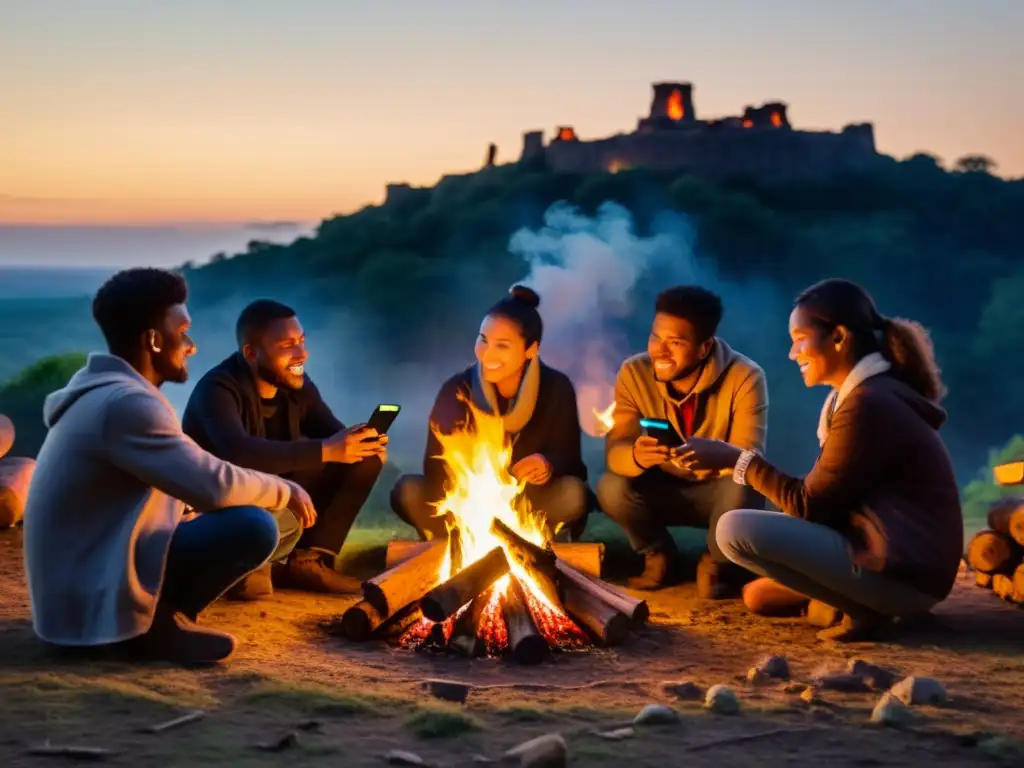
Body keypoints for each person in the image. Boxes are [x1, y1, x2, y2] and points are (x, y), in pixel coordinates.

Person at [23, 268, 316, 665]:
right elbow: (214, 483)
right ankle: (147, 633)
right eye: (184, 332)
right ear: (154, 340)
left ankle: (151, 621)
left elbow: (134, 493)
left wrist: (180, 510)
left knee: (225, 515)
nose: (191, 345)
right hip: (88, 612)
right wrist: (287, 489)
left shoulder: (103, 394)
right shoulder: (127, 404)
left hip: (74, 597)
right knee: (254, 525)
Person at [678, 278, 963, 641]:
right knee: (759, 593)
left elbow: (808, 504)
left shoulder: (867, 404)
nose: (792, 354)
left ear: (839, 338)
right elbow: (824, 498)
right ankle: (861, 609)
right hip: (909, 570)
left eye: (799, 340)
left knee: (733, 530)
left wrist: (736, 459)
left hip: (905, 575)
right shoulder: (866, 395)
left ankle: (865, 608)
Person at [183, 299, 387, 598]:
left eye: (301, 341)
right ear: (251, 353)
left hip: (277, 494)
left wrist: (361, 442)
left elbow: (332, 433)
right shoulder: (217, 390)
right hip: (222, 504)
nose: (301, 353)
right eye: (287, 345)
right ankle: (254, 561)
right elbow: (238, 454)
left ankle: (308, 562)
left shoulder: (296, 386)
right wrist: (327, 450)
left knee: (363, 459)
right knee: (256, 576)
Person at [596, 285, 768, 595]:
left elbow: (748, 456)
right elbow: (616, 450)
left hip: (720, 490)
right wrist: (636, 455)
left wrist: (715, 455)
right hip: (662, 487)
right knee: (611, 487)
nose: (659, 351)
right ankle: (658, 552)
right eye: (655, 338)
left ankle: (718, 561)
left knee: (746, 484)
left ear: (704, 348)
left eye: (674, 342)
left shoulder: (745, 376)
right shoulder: (634, 373)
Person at [391, 285, 590, 541]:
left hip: (529, 501)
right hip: (466, 501)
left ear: (530, 350)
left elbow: (570, 459)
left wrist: (547, 464)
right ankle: (458, 540)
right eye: (483, 339)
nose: (488, 353)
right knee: (408, 490)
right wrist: (472, 477)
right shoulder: (458, 389)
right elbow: (433, 465)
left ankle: (528, 538)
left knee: (573, 494)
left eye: (502, 346)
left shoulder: (556, 388)